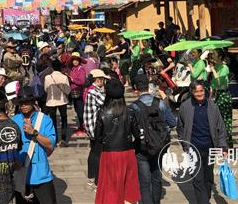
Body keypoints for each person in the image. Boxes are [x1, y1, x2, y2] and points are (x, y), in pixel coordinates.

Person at [176, 80, 228, 204]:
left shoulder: (212, 106)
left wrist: (223, 146)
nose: (199, 94)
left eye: (201, 91)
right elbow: (180, 127)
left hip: (210, 147)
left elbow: (220, 127)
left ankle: (205, 197)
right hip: (193, 147)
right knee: (197, 178)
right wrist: (184, 142)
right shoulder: (185, 107)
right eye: (196, 92)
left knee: (208, 177)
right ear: (192, 92)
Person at [130, 74, 177, 204]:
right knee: (156, 177)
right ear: (148, 86)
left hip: (142, 147)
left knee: (144, 183)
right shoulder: (160, 103)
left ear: (136, 88)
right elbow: (172, 123)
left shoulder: (133, 107)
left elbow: (130, 129)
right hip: (159, 146)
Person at [94, 79, 141, 204]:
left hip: (109, 153)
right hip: (127, 152)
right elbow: (137, 135)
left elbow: (97, 137)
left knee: (110, 186)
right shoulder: (130, 112)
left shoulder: (102, 112)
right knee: (128, 187)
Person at [12, 86, 57, 204]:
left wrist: (34, 133)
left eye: (26, 102)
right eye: (21, 103)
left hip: (42, 174)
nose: (23, 105)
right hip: (21, 174)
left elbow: (50, 144)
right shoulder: (14, 121)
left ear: (33, 102)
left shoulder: (45, 120)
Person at [83, 69, 109, 189]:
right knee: (98, 153)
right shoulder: (94, 92)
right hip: (95, 127)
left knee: (93, 151)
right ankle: (98, 182)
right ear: (98, 79)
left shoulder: (90, 90)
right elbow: (106, 102)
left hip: (90, 126)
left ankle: (91, 177)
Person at [208, 50, 232, 146]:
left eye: (214, 54)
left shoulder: (224, 67)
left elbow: (219, 82)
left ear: (220, 57)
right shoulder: (216, 67)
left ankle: (227, 144)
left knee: (225, 121)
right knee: (217, 120)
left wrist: (213, 70)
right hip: (217, 95)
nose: (212, 56)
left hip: (224, 95)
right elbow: (213, 85)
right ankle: (219, 143)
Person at [44, 59, 70, 147]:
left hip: (51, 101)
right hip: (62, 100)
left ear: (52, 67)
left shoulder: (47, 77)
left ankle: (54, 139)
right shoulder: (64, 77)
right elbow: (68, 90)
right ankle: (63, 138)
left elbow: (46, 89)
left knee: (53, 120)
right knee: (64, 119)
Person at [68, 52, 87, 136]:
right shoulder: (73, 69)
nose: (75, 61)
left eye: (76, 60)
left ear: (79, 61)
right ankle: (81, 126)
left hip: (79, 92)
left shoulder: (80, 69)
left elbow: (82, 81)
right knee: (77, 109)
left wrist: (72, 79)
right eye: (73, 60)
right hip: (74, 92)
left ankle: (83, 127)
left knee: (80, 111)